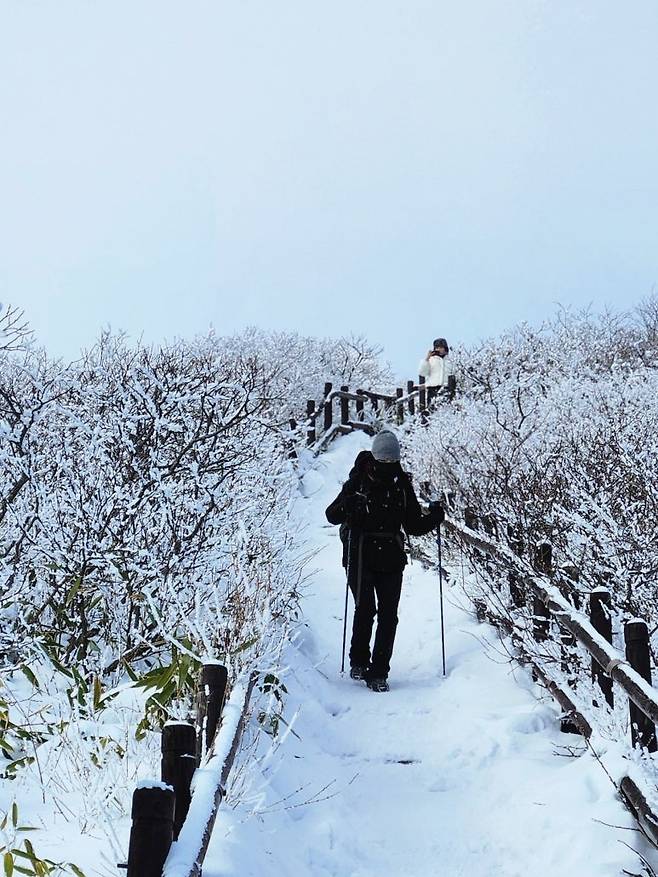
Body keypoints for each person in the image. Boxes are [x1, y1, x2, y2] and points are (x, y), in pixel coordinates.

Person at [325, 430, 444, 692]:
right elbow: (331, 515)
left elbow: (412, 525)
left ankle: (379, 672)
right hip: (359, 555)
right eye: (384, 460)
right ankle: (359, 661)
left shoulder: (401, 485)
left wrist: (434, 517)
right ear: (375, 457)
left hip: (390, 557)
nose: (388, 465)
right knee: (366, 608)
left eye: (392, 461)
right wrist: (349, 504)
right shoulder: (357, 482)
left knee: (389, 615)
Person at [418, 338, 456, 404]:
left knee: (446, 406)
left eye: (441, 347)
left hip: (446, 388)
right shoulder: (431, 360)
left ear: (445, 348)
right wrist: (427, 359)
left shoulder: (450, 361)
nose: (439, 349)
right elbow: (422, 373)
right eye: (437, 348)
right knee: (432, 407)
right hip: (432, 388)